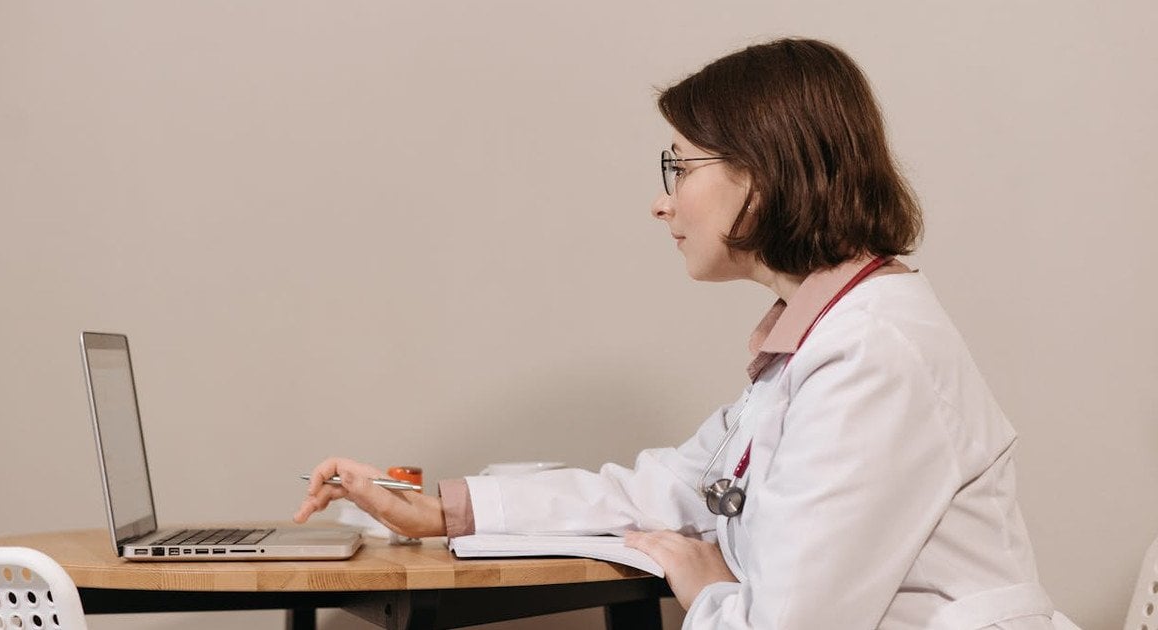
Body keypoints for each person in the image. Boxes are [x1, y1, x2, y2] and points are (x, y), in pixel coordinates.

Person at [295, 38, 1077, 629]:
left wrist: (708, 593)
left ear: (760, 176)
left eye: (681, 167)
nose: (662, 202)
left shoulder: (872, 353)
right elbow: (671, 486)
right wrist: (443, 512)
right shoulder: (823, 337)